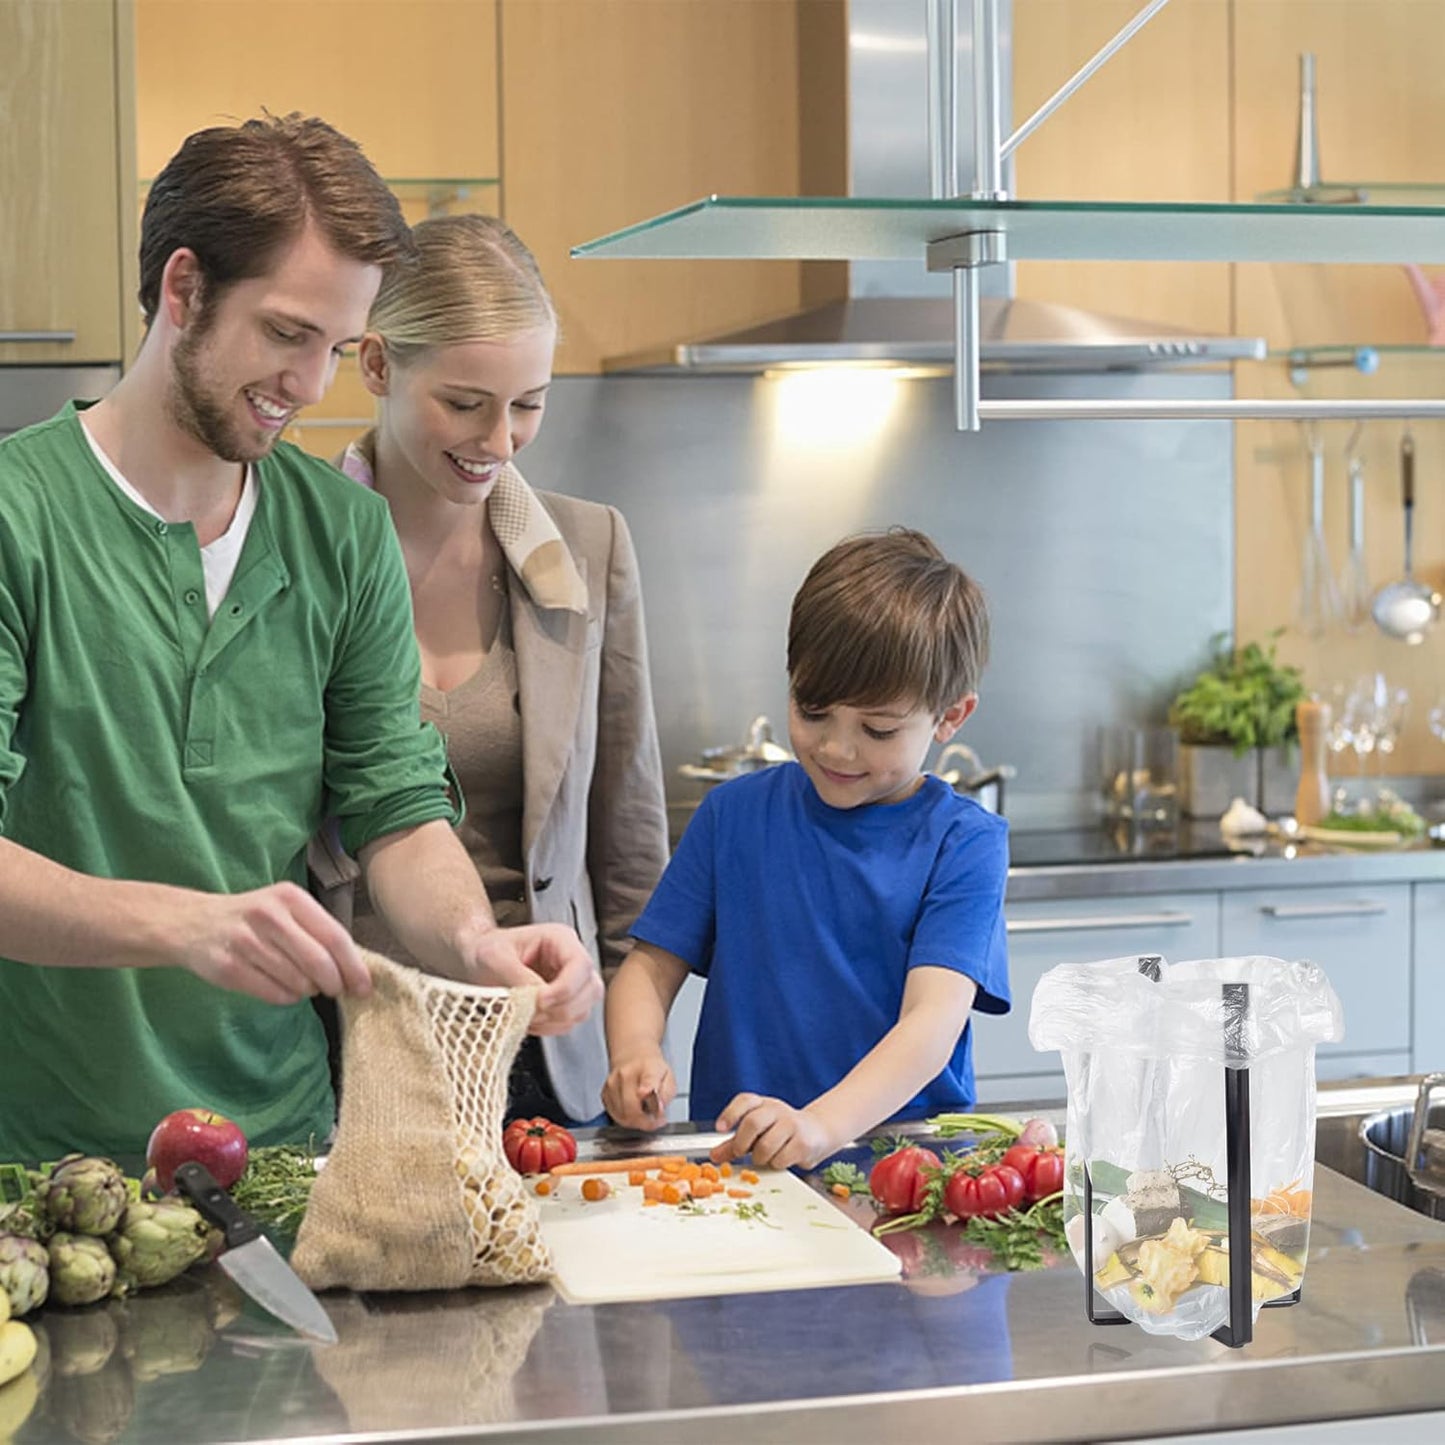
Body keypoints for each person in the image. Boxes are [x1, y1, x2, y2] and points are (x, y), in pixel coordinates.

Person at [0, 115, 599, 1163]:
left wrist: (474, 938)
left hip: (281, 1149)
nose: (312, 384)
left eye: (334, 345)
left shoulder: (341, 531)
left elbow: (395, 807)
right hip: (43, 1155)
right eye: (286, 333)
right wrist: (189, 923)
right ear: (183, 290)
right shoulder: (19, 517)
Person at [335, 214, 670, 1125]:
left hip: (545, 1051)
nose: (501, 438)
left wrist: (632, 1039)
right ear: (376, 365)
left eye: (528, 401)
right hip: (348, 1043)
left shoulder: (588, 545)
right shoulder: (293, 545)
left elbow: (627, 834)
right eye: (465, 401)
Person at [602, 529, 1010, 1169]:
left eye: (877, 729)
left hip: (907, 1175)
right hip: (745, 1166)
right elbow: (648, 970)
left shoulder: (965, 844)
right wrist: (634, 1053)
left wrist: (819, 1126)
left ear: (950, 717)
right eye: (813, 710)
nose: (836, 748)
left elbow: (930, 1025)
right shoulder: (733, 815)